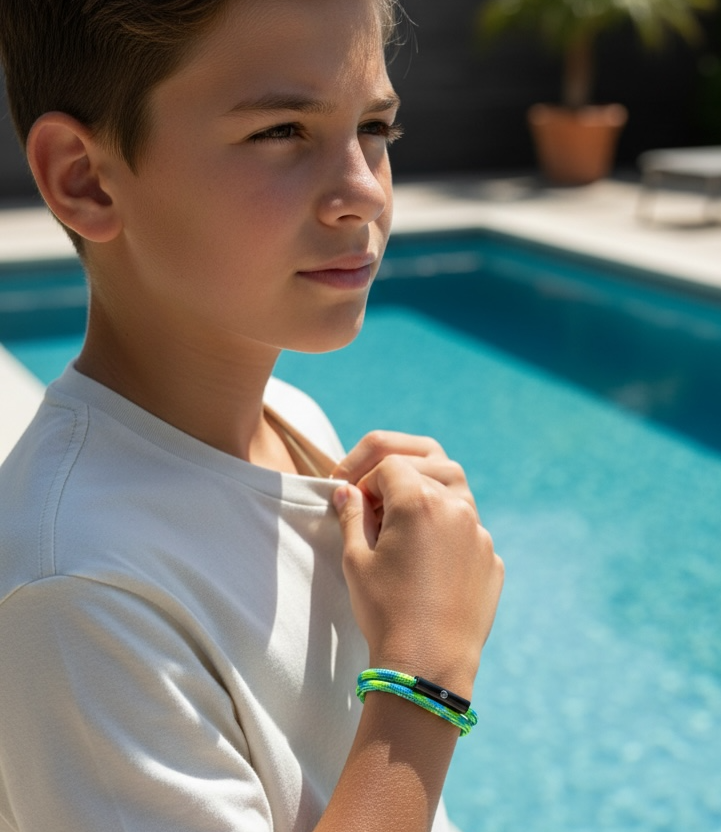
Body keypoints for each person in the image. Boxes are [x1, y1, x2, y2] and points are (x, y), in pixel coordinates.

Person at [0, 1, 504, 830]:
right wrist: (426, 673)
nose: (362, 192)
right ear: (83, 178)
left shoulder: (290, 420)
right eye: (281, 131)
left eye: (375, 127)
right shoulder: (80, 593)